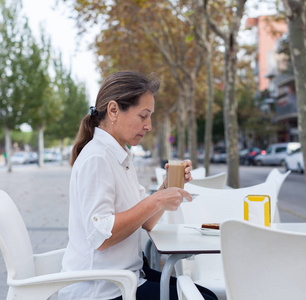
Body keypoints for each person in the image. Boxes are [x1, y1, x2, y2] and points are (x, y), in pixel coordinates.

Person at [58, 71, 218, 300]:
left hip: (126, 277)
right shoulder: (97, 158)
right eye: (144, 116)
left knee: (205, 295)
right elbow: (100, 236)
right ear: (113, 111)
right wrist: (156, 200)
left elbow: (148, 221)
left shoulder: (119, 156)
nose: (149, 126)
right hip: (102, 290)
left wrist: (167, 188)